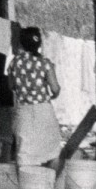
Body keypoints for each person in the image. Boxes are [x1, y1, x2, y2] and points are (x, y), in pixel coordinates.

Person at [8, 27, 62, 168]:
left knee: (25, 153)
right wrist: (53, 95)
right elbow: (55, 88)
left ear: (21, 43)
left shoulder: (14, 63)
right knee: (52, 150)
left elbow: (11, 86)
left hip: (23, 112)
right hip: (44, 111)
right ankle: (48, 186)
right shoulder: (45, 63)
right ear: (39, 44)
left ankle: (27, 188)